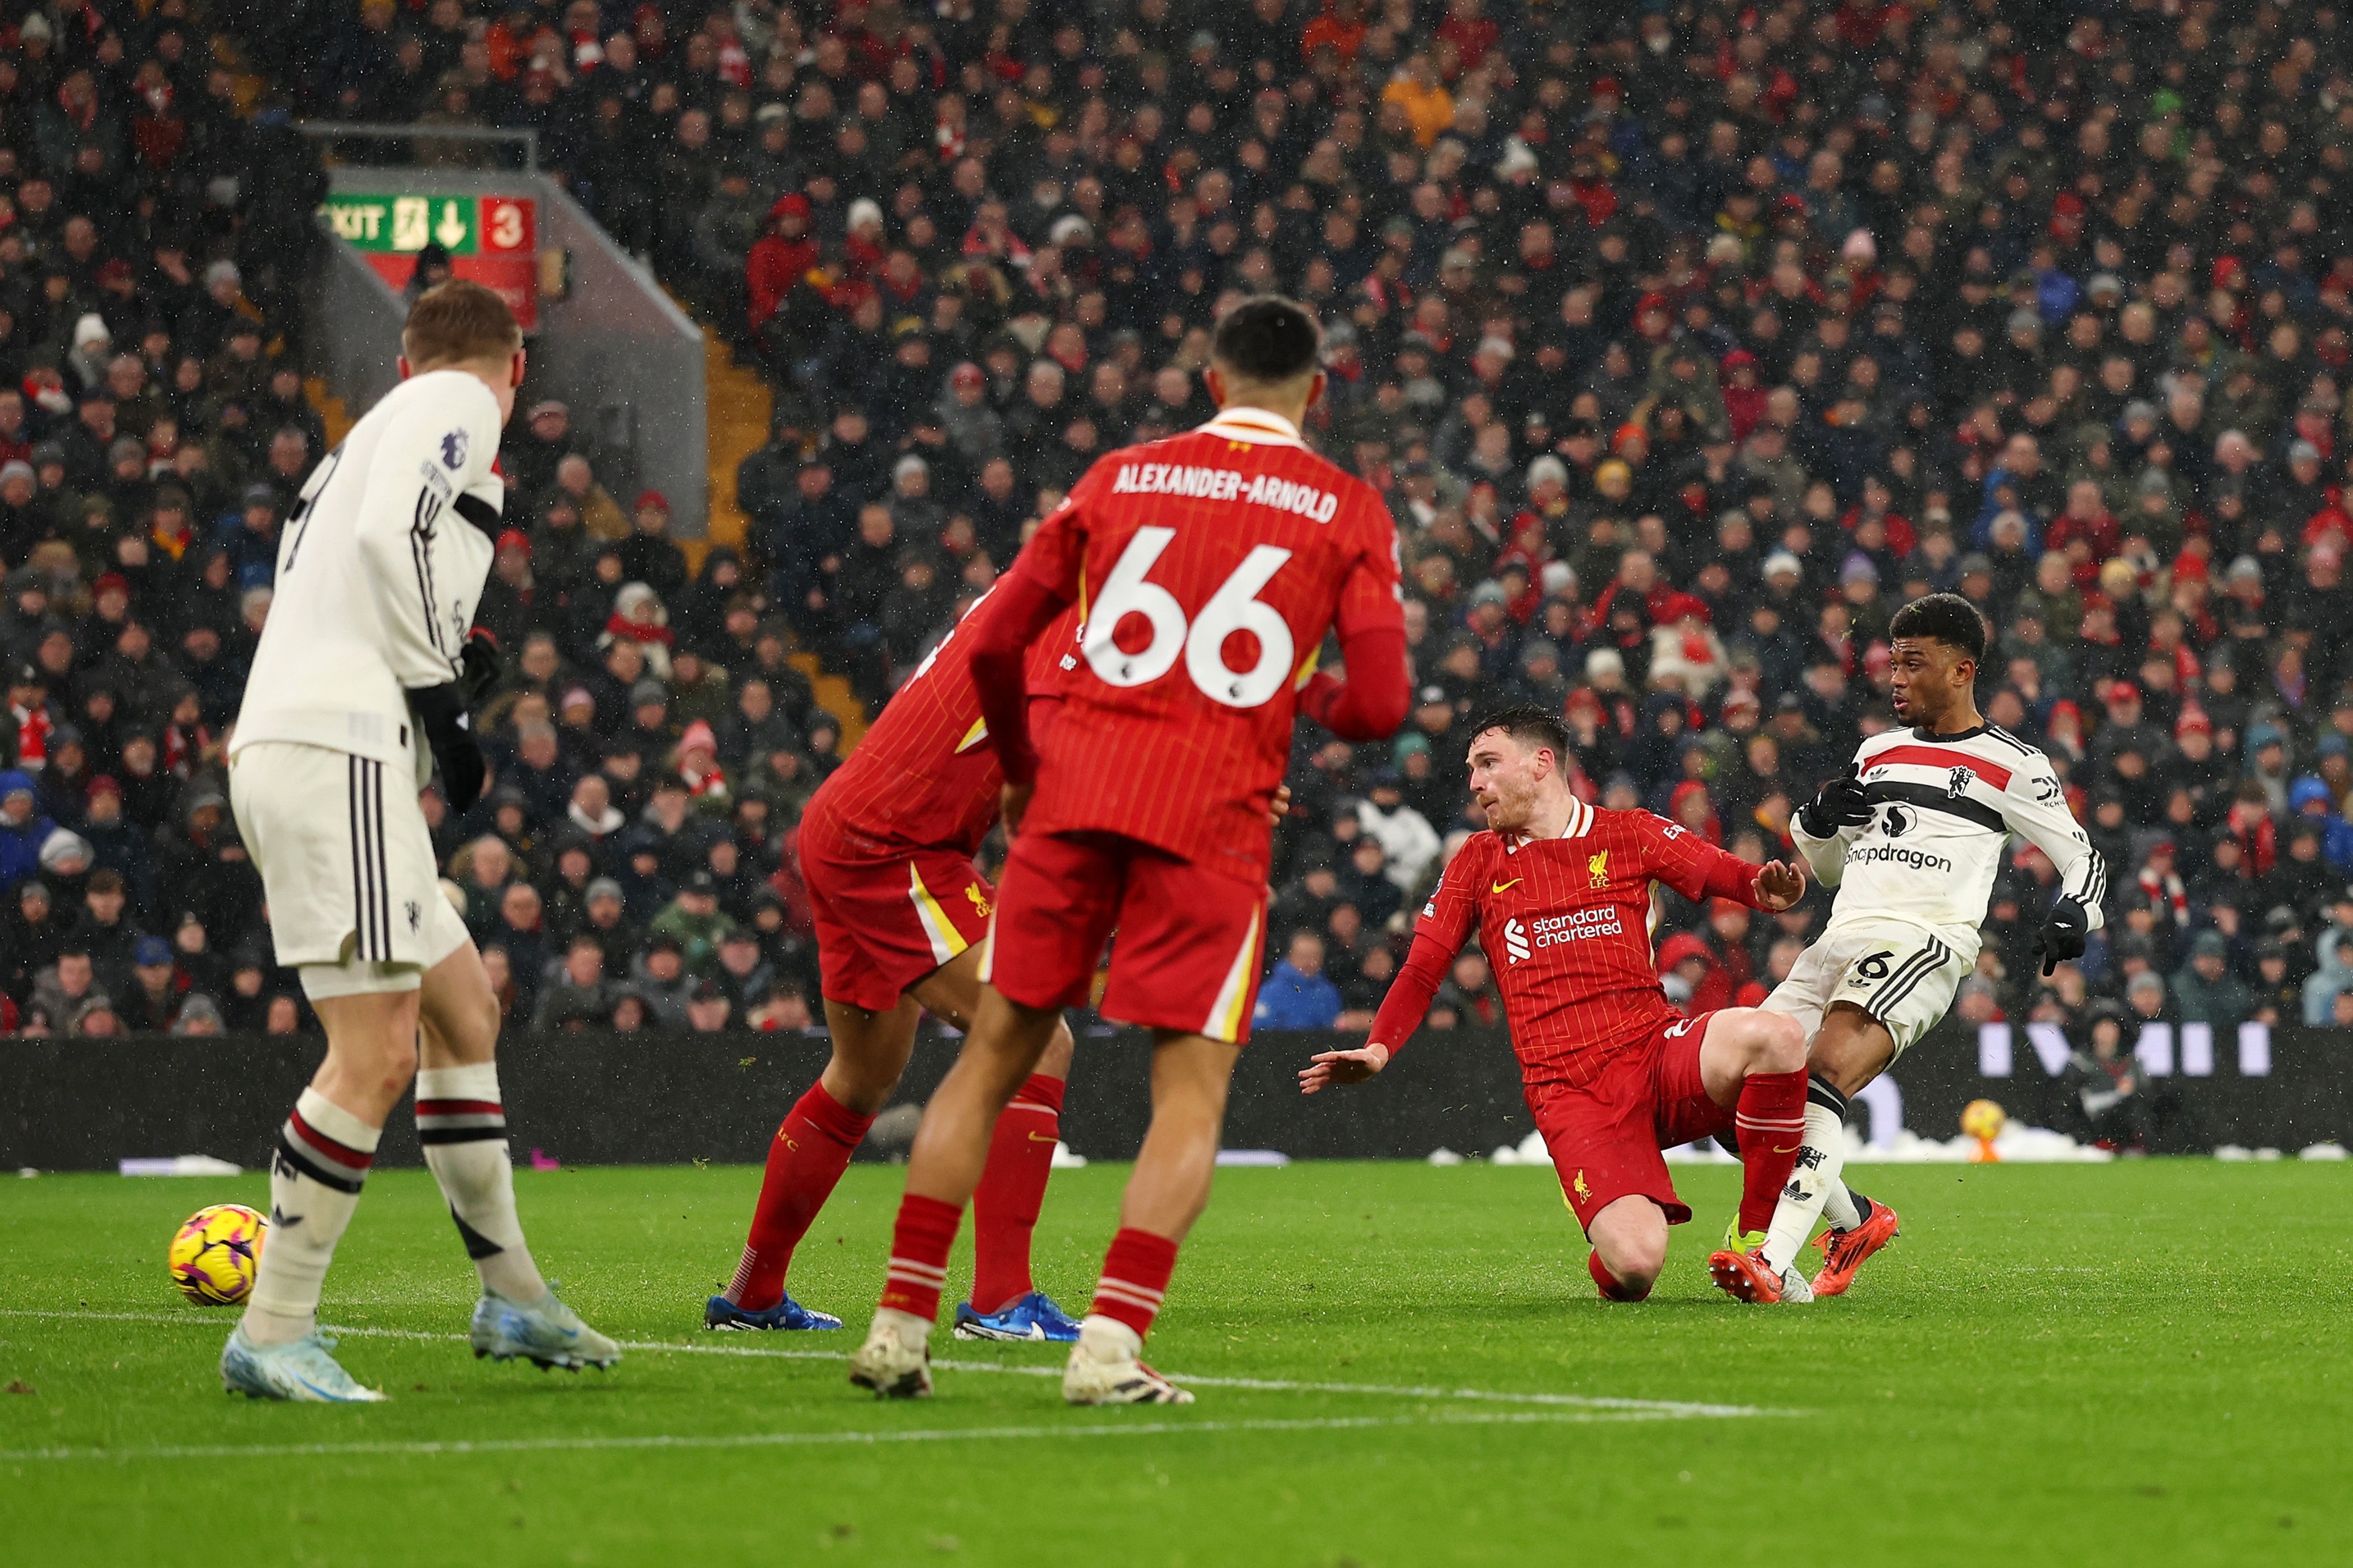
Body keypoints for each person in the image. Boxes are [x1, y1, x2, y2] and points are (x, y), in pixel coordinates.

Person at [848, 297, 1411, 1406]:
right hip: (1208, 819)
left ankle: (899, 1324)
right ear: (1319, 391)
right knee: (1188, 1096)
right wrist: (1305, 690)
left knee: (994, 1055)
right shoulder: (1347, 508)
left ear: (1210, 383)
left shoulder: (1118, 476)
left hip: (1074, 803)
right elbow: (1383, 705)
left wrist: (1016, 768)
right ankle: (1108, 1344)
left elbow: (1001, 636)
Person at [218, 282, 617, 1402]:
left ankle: (515, 1295)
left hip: (326, 744)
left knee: (461, 1008)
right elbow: (397, 536)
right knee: (378, 1050)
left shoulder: (376, 430)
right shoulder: (460, 400)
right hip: (338, 744)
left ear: (401, 361)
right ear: (515, 365)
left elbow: (379, 553)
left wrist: (449, 651)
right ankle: (274, 1323)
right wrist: (442, 698)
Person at [1301, 706, 1812, 1305]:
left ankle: (1757, 1241)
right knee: (1638, 1266)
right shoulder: (1477, 860)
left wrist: (1770, 887)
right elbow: (1420, 969)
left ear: (1541, 763)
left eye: (1488, 763)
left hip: (1655, 1053)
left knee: (1777, 1035)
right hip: (1573, 1092)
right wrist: (1379, 1047)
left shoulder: (1630, 832)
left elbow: (1739, 878)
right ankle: (1615, 1224)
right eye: (1470, 768)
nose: (1474, 781)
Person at [704, 579, 1092, 1341]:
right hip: (895, 844)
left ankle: (752, 1293)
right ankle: (1003, 1299)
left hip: (852, 825)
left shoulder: (1042, 595)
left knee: (861, 1077)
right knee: (1037, 1035)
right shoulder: (1078, 620)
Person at [1758, 593, 2108, 1302]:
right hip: (1837, 938)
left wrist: (2076, 912)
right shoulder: (1877, 751)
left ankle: (1771, 1263)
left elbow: (2082, 856)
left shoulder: (2014, 764)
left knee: (1824, 1073)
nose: (1896, 678)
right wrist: (1818, 821)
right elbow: (1827, 867)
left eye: (1913, 663)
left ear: (1961, 670)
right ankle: (1855, 1220)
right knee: (1750, 1085)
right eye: (1893, 662)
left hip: (1923, 944)